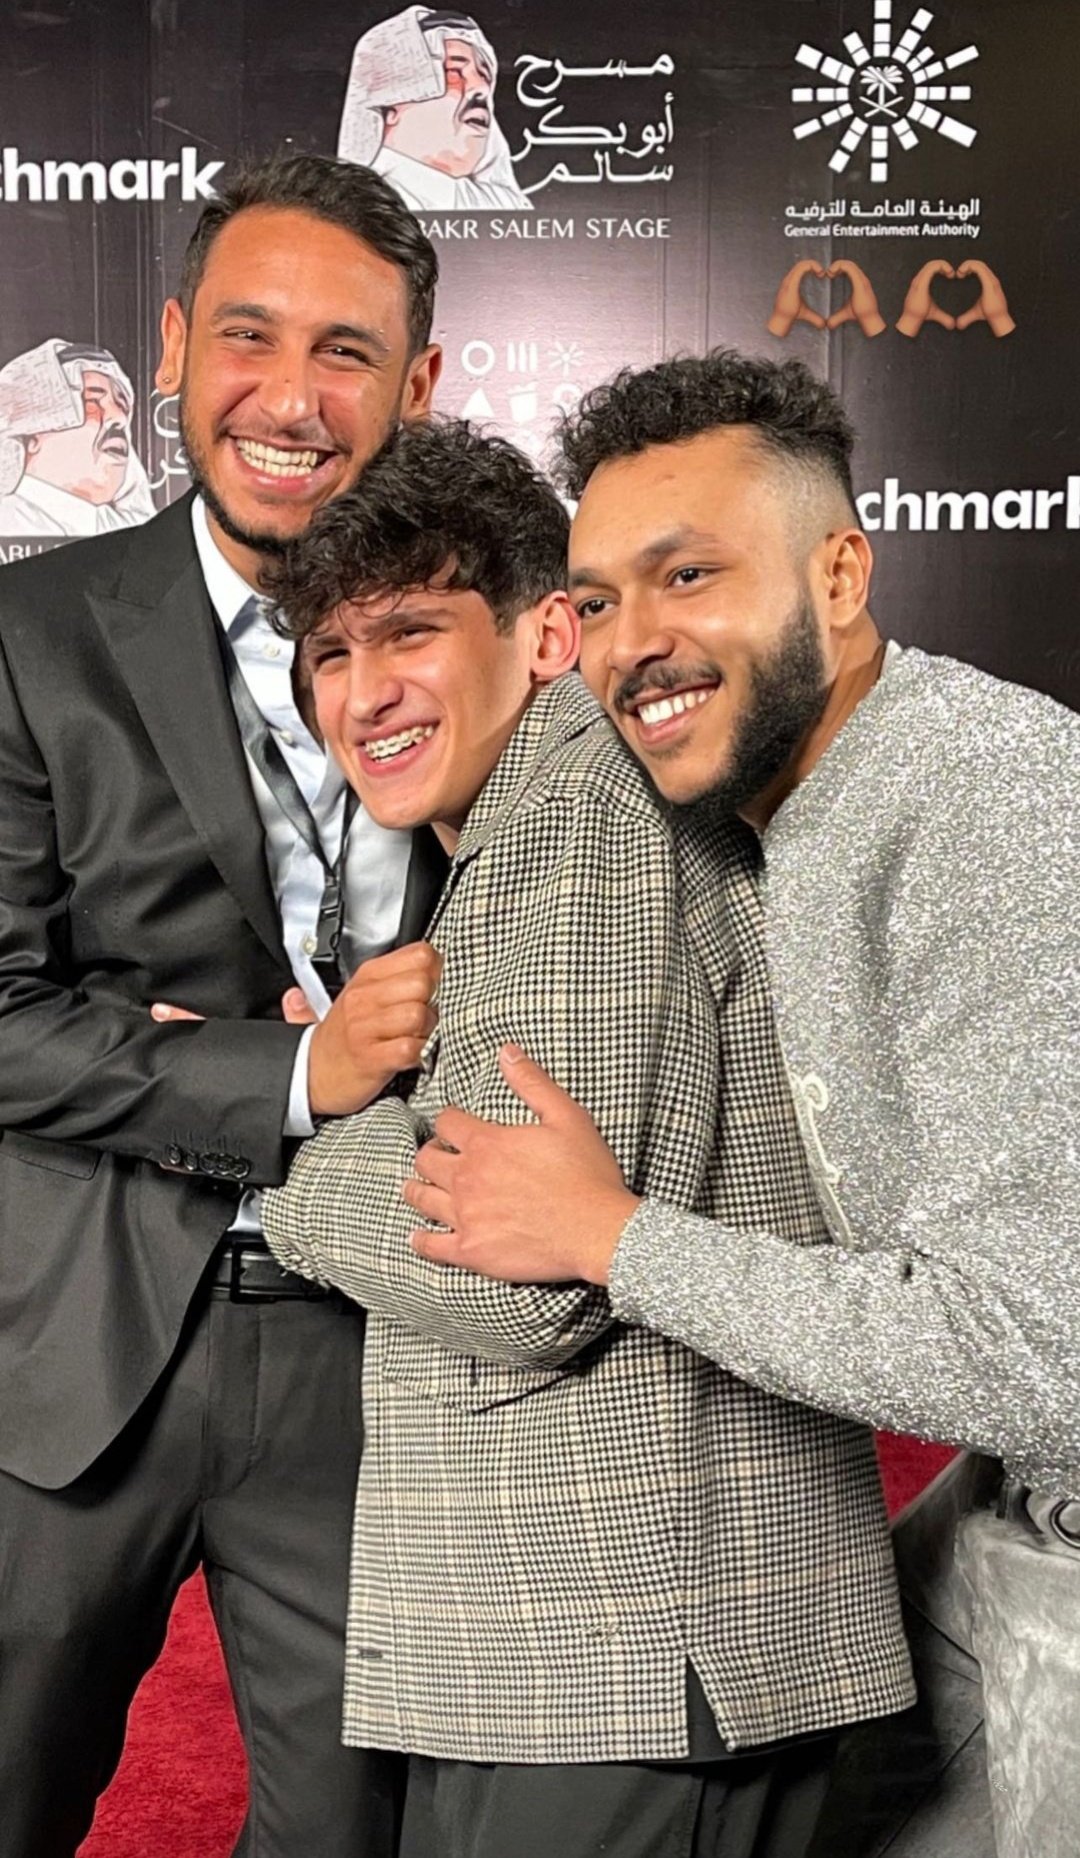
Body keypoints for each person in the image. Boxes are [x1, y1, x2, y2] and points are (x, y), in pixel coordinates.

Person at [404, 351, 1080, 1858]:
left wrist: (609, 1235)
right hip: (1009, 1504)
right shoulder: (791, 796)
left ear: (839, 574)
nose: (634, 643)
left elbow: (1034, 1347)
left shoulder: (987, 802)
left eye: (690, 574)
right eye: (598, 601)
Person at [259, 415, 914, 1858]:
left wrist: (292, 1126)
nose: (367, 693)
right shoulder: (536, 818)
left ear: (548, 634)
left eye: (412, 634)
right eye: (332, 653)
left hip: (621, 1653)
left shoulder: (576, 816)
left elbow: (527, 1275)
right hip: (603, 1661)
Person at [0, 151, 444, 1857]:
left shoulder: (510, 637)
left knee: (351, 1835)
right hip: (76, 1340)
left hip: (381, 1348)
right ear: (177, 345)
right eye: (250, 335)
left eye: (348, 351)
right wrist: (293, 1072)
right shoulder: (30, 631)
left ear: (418, 384)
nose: (291, 397)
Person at [338, 5, 531, 211]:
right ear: (391, 110)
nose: (481, 88)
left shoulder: (497, 205)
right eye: (454, 71)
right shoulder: (366, 205)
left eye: (485, 75)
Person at [0, 337, 156, 537]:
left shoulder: (122, 526)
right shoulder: (9, 522)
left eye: (123, 406)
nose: (120, 418)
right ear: (33, 439)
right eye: (92, 401)